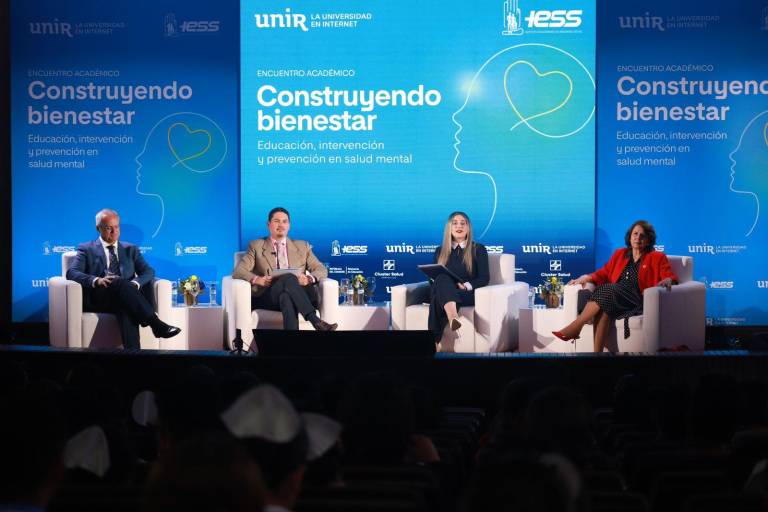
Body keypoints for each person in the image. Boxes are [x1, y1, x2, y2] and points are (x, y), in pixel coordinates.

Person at [553, 220, 677, 352]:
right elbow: (604, 272)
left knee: (609, 289)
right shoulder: (620, 254)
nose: (638, 238)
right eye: (635, 234)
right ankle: (597, 355)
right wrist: (586, 277)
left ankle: (576, 326)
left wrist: (668, 280)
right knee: (606, 308)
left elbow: (669, 276)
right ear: (629, 236)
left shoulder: (657, 257)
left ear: (648, 240)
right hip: (615, 297)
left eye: (642, 235)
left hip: (636, 299)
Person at [66, 209, 181, 350]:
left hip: (126, 296)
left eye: (117, 227)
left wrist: (134, 283)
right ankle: (155, 323)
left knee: (125, 306)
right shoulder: (86, 248)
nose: (114, 232)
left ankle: (133, 357)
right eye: (109, 228)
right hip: (99, 298)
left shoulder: (130, 249)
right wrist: (97, 280)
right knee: (118, 281)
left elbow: (148, 271)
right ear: (98, 228)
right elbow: (72, 272)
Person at [233, 207, 337, 331]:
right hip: (269, 296)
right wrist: (257, 279)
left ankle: (290, 347)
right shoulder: (256, 246)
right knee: (289, 277)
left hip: (298, 295)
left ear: (289, 225)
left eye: (284, 221)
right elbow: (238, 271)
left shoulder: (302, 246)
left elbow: (321, 269)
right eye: (277, 221)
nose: (281, 225)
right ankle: (315, 320)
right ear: (268, 224)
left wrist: (309, 279)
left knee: (286, 297)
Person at [428, 211, 489, 343]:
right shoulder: (440, 250)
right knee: (442, 278)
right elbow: (432, 279)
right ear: (449, 228)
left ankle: (434, 342)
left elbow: (484, 277)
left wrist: (466, 286)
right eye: (454, 223)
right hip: (444, 289)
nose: (458, 226)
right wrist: (433, 278)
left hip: (464, 294)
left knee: (438, 298)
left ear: (468, 228)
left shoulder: (478, 249)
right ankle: (452, 317)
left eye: (463, 223)